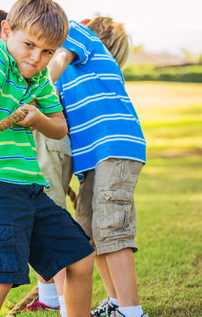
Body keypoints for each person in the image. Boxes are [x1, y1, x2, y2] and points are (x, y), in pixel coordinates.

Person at [0, 0, 94, 317]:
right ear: (6, 31)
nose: (36, 57)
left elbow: (60, 127)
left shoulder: (39, 80)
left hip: (31, 189)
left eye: (48, 51)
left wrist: (38, 119)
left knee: (80, 258)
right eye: (29, 45)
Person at [48, 17, 148, 317]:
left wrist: (34, 84)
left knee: (111, 228)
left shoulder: (80, 35)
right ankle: (116, 303)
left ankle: (132, 312)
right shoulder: (73, 74)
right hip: (92, 160)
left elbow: (61, 55)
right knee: (89, 233)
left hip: (113, 148)